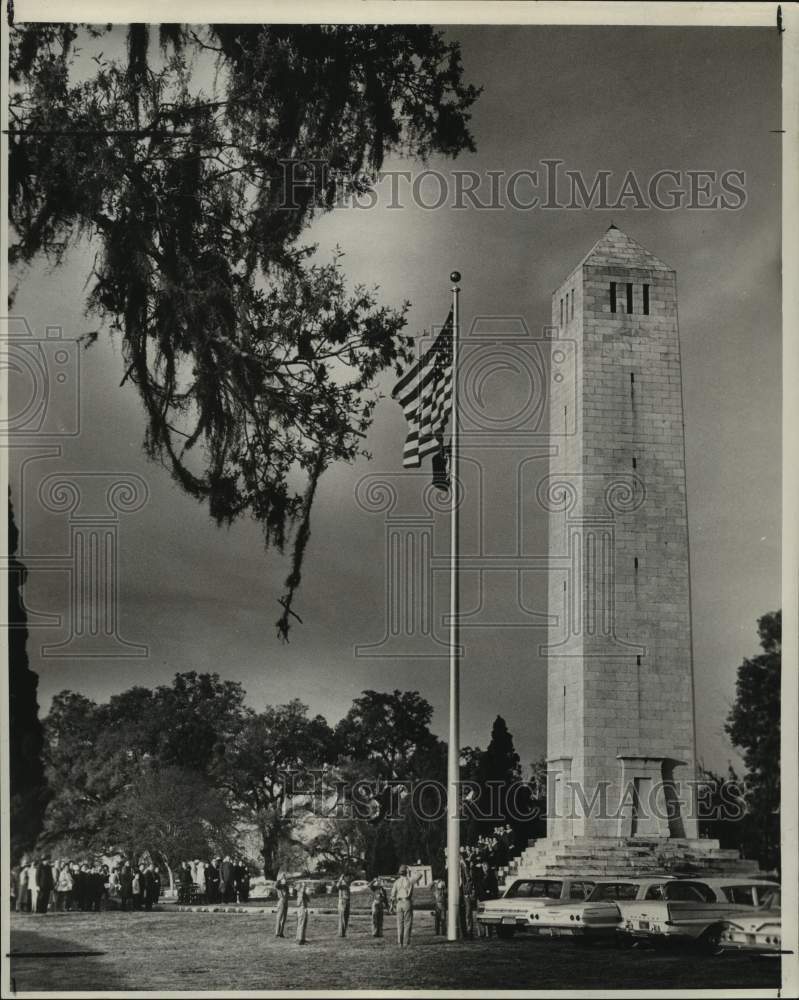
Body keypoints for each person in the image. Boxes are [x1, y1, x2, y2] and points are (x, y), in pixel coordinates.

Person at [390, 864, 415, 948]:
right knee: (407, 923)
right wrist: (410, 869)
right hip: (407, 901)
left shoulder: (396, 882)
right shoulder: (409, 881)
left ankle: (399, 943)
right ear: (406, 872)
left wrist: (391, 905)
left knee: (399, 923)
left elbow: (392, 895)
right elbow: (420, 875)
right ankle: (406, 942)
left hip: (399, 903)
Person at [477, 862, 498, 938]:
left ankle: (488, 933)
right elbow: (478, 886)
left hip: (489, 898)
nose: (485, 867)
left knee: (488, 915)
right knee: (480, 916)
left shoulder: (491, 875)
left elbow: (495, 886)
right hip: (481, 897)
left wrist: (491, 892)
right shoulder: (479, 875)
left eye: (486, 866)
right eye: (483, 866)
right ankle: (481, 933)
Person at [274, 872, 290, 937]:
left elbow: (288, 892)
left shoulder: (286, 886)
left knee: (284, 918)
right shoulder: (279, 885)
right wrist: (280, 881)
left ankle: (281, 933)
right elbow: (276, 885)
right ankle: (277, 932)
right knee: (279, 917)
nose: (285, 879)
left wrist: (285, 884)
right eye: (283, 877)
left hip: (286, 901)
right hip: (281, 901)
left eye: (285, 877)